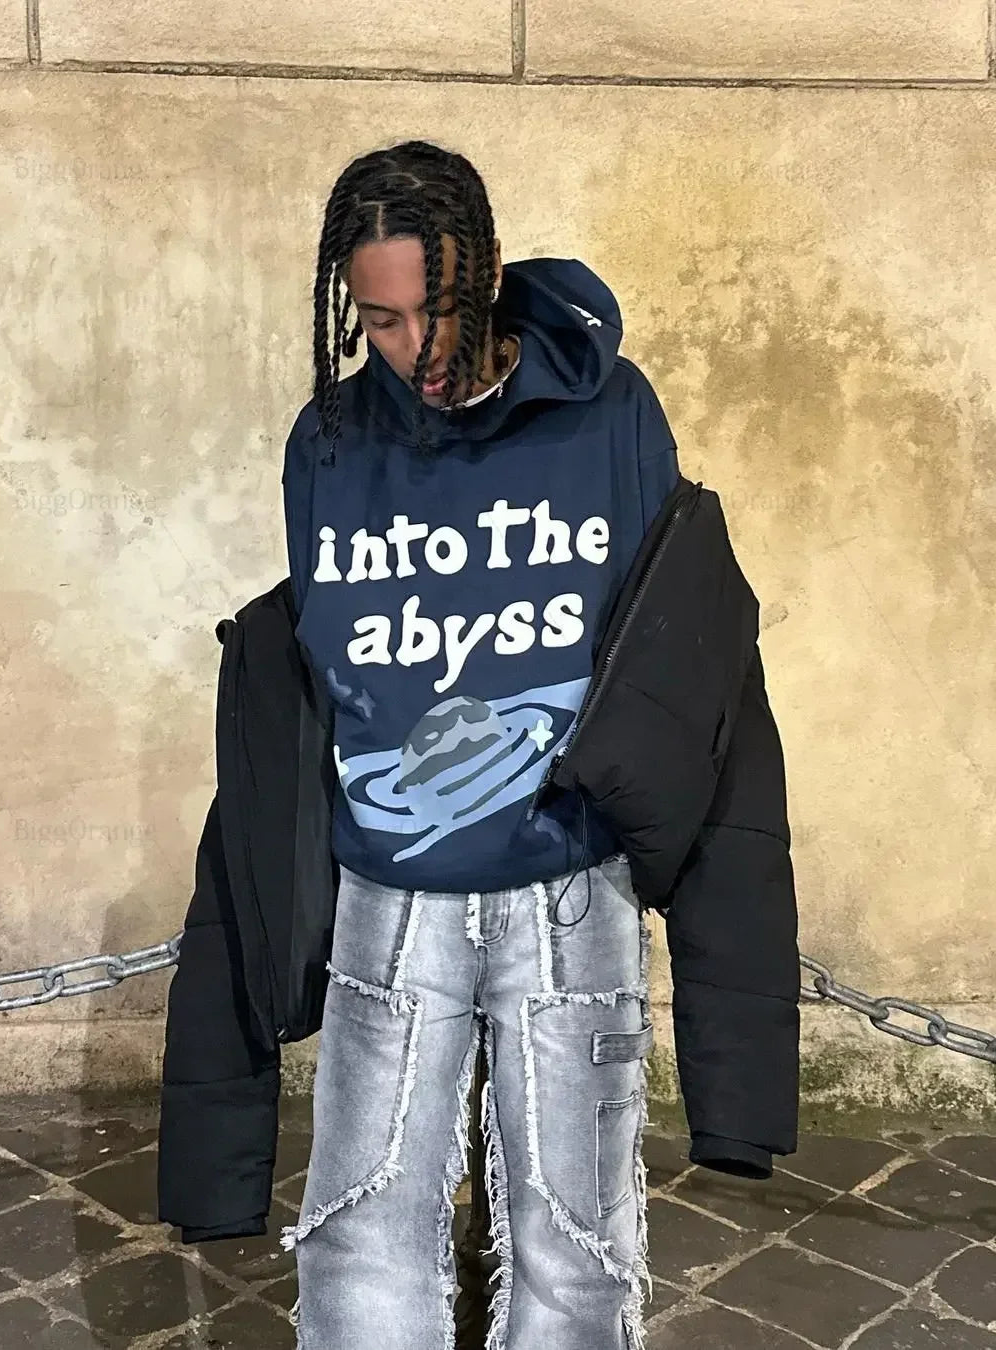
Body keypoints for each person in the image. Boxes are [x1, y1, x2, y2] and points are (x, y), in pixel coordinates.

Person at [156, 137, 800, 1350]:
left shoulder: (613, 415)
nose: (417, 349)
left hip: (570, 884)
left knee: (578, 1240)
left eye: (436, 310)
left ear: (488, 273)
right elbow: (328, 661)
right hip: (388, 894)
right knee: (359, 1226)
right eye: (381, 322)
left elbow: (673, 659)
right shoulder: (329, 440)